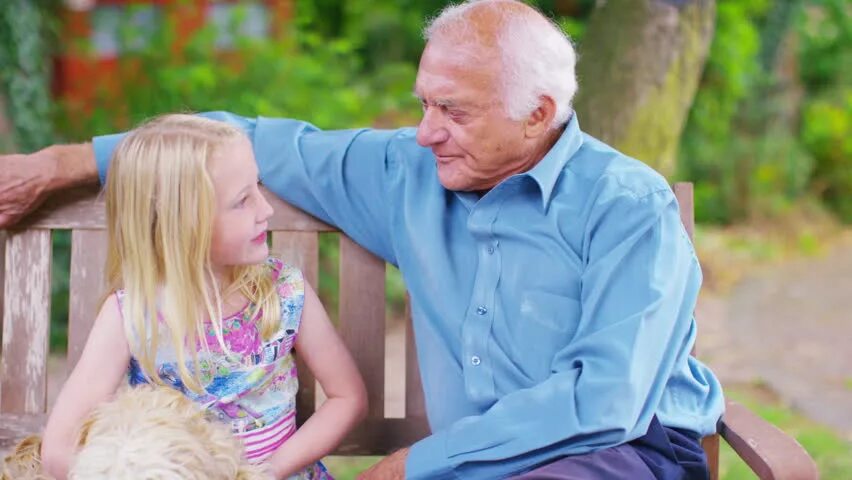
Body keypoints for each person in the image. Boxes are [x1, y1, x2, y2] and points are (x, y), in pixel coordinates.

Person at [1, 1, 725, 478]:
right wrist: (60, 164)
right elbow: (242, 140)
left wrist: (420, 462)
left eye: (454, 110)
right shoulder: (410, 174)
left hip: (617, 450)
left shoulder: (628, 207)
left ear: (537, 113)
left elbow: (602, 402)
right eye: (423, 102)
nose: (425, 130)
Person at [37, 114, 368, 480]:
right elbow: (57, 453)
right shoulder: (132, 315)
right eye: (243, 200)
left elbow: (347, 398)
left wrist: (266, 472)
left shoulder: (284, 292)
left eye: (259, 186)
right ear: (184, 223)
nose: (266, 209)